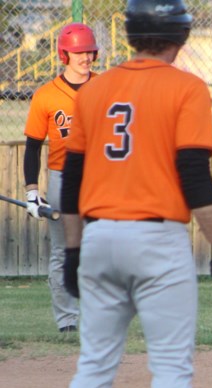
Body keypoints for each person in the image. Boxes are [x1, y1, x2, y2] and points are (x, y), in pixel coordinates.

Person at [58, 0, 212, 388]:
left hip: (98, 237)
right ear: (180, 36)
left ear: (132, 34)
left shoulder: (92, 89)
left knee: (92, 369)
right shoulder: (186, 88)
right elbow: (193, 173)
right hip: (157, 241)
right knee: (169, 373)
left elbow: (71, 180)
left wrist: (72, 251)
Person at [22, 22, 99, 333]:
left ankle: (97, 318)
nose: (86, 57)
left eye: (89, 50)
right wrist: (31, 191)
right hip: (62, 177)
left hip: (100, 177)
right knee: (63, 250)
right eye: (78, 51)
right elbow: (32, 148)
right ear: (64, 54)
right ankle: (68, 321)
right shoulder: (46, 96)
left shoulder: (106, 87)